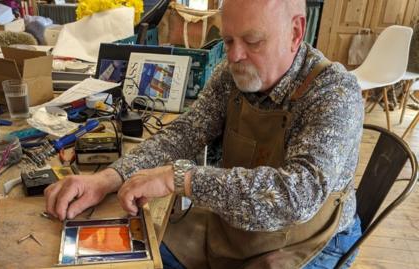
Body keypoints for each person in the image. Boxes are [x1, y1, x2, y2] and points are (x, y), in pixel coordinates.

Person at [45, 0, 364, 268]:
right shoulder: (231, 72)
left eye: (253, 41)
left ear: (295, 32)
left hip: (308, 238)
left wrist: (180, 178)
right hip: (234, 225)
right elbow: (184, 134)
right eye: (228, 41)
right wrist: (107, 179)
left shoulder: (333, 91)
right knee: (134, 253)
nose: (235, 55)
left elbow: (297, 197)